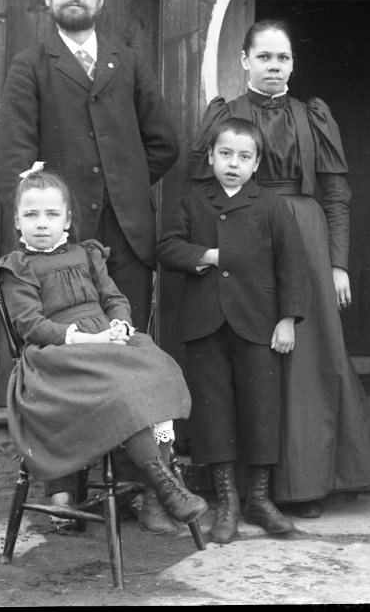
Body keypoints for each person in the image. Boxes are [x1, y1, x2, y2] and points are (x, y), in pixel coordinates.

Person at [0, 0, 182, 533]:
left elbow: (163, 143)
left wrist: (123, 187)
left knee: (127, 352)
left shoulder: (128, 62)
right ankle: (66, 490)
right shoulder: (32, 66)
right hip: (60, 250)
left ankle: (147, 487)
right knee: (67, 363)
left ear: (101, 0)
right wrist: (49, 208)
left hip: (126, 237)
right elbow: (12, 159)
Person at [188, 20, 370, 518]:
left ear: (293, 64)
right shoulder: (224, 116)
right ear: (244, 61)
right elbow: (202, 192)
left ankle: (305, 485)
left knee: (307, 361)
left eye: (282, 58)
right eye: (264, 57)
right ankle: (246, 491)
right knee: (248, 353)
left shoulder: (312, 116)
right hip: (242, 237)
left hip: (305, 237)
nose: (274, 67)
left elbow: (336, 195)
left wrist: (337, 264)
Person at [0, 167, 207, 532]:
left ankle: (158, 495)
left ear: (67, 220)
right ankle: (164, 486)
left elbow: (113, 298)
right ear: (18, 221)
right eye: (31, 215)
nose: (42, 223)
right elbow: (31, 325)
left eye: (52, 214)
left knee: (159, 371)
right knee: (123, 391)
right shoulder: (19, 267)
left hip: (104, 340)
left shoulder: (87, 254)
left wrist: (120, 324)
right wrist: (88, 340)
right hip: (59, 353)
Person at [158, 117, 309, 543]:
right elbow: (167, 248)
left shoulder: (272, 206)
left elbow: (292, 264)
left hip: (258, 323)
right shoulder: (193, 202)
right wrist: (207, 255)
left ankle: (258, 499)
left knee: (262, 408)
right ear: (211, 156)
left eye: (244, 157)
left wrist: (287, 318)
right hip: (205, 324)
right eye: (225, 154)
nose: (233, 164)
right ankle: (227, 503)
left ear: (256, 163)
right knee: (214, 412)